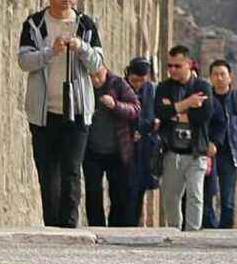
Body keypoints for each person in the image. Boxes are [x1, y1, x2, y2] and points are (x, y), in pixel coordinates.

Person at [16, 0, 102, 229]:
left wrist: (81, 47)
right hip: (43, 113)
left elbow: (98, 63)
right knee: (47, 172)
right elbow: (24, 60)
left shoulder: (85, 24)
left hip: (77, 111)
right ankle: (51, 224)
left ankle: (69, 225)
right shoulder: (35, 24)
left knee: (72, 170)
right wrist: (49, 52)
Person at [155, 45, 211, 231]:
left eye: (177, 66)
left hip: (196, 151)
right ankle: (174, 230)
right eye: (169, 66)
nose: (172, 70)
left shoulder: (202, 86)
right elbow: (161, 112)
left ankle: (193, 233)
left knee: (195, 194)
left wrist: (175, 110)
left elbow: (204, 115)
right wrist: (188, 104)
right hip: (173, 151)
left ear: (188, 64)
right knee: (171, 197)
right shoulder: (164, 87)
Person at [82, 55, 143, 227]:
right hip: (92, 150)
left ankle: (116, 228)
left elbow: (135, 108)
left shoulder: (118, 84)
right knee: (93, 192)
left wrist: (115, 105)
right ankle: (96, 226)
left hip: (117, 150)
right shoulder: (85, 86)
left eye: (98, 75)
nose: (95, 80)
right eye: (91, 76)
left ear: (104, 70)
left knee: (118, 194)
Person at [202, 60, 237, 229]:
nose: (219, 78)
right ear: (210, 77)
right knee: (207, 195)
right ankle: (208, 229)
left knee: (227, 199)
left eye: (222, 74)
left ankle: (225, 232)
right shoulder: (205, 98)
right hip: (208, 152)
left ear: (230, 77)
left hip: (229, 154)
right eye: (215, 74)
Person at [121, 58, 160, 227]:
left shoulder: (150, 90)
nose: (137, 85)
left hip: (144, 148)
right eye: (134, 80)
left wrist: (144, 128)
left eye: (141, 81)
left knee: (139, 190)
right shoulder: (121, 87)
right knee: (125, 189)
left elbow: (151, 117)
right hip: (125, 146)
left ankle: (133, 224)